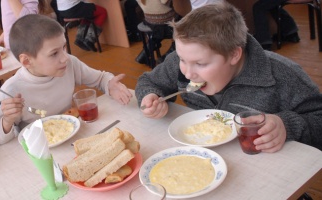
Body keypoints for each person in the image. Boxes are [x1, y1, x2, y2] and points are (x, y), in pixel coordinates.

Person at [135, 2, 322, 152]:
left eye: (201, 64)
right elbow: (148, 81)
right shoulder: (181, 61)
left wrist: (287, 125)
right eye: (183, 59)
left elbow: (318, 117)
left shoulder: (281, 75)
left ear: (234, 55)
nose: (187, 73)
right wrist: (149, 95)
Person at [0, 14, 133, 145]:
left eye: (64, 47)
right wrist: (7, 121)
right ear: (27, 61)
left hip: (73, 137)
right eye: (54, 53)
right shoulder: (11, 90)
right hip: (40, 150)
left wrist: (109, 84)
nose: (65, 57)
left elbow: (100, 78)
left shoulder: (69, 64)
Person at [135, 0, 178, 65]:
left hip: (149, 20)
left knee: (157, 33)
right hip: (164, 22)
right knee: (184, 21)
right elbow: (165, 1)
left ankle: (143, 55)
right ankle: (165, 58)